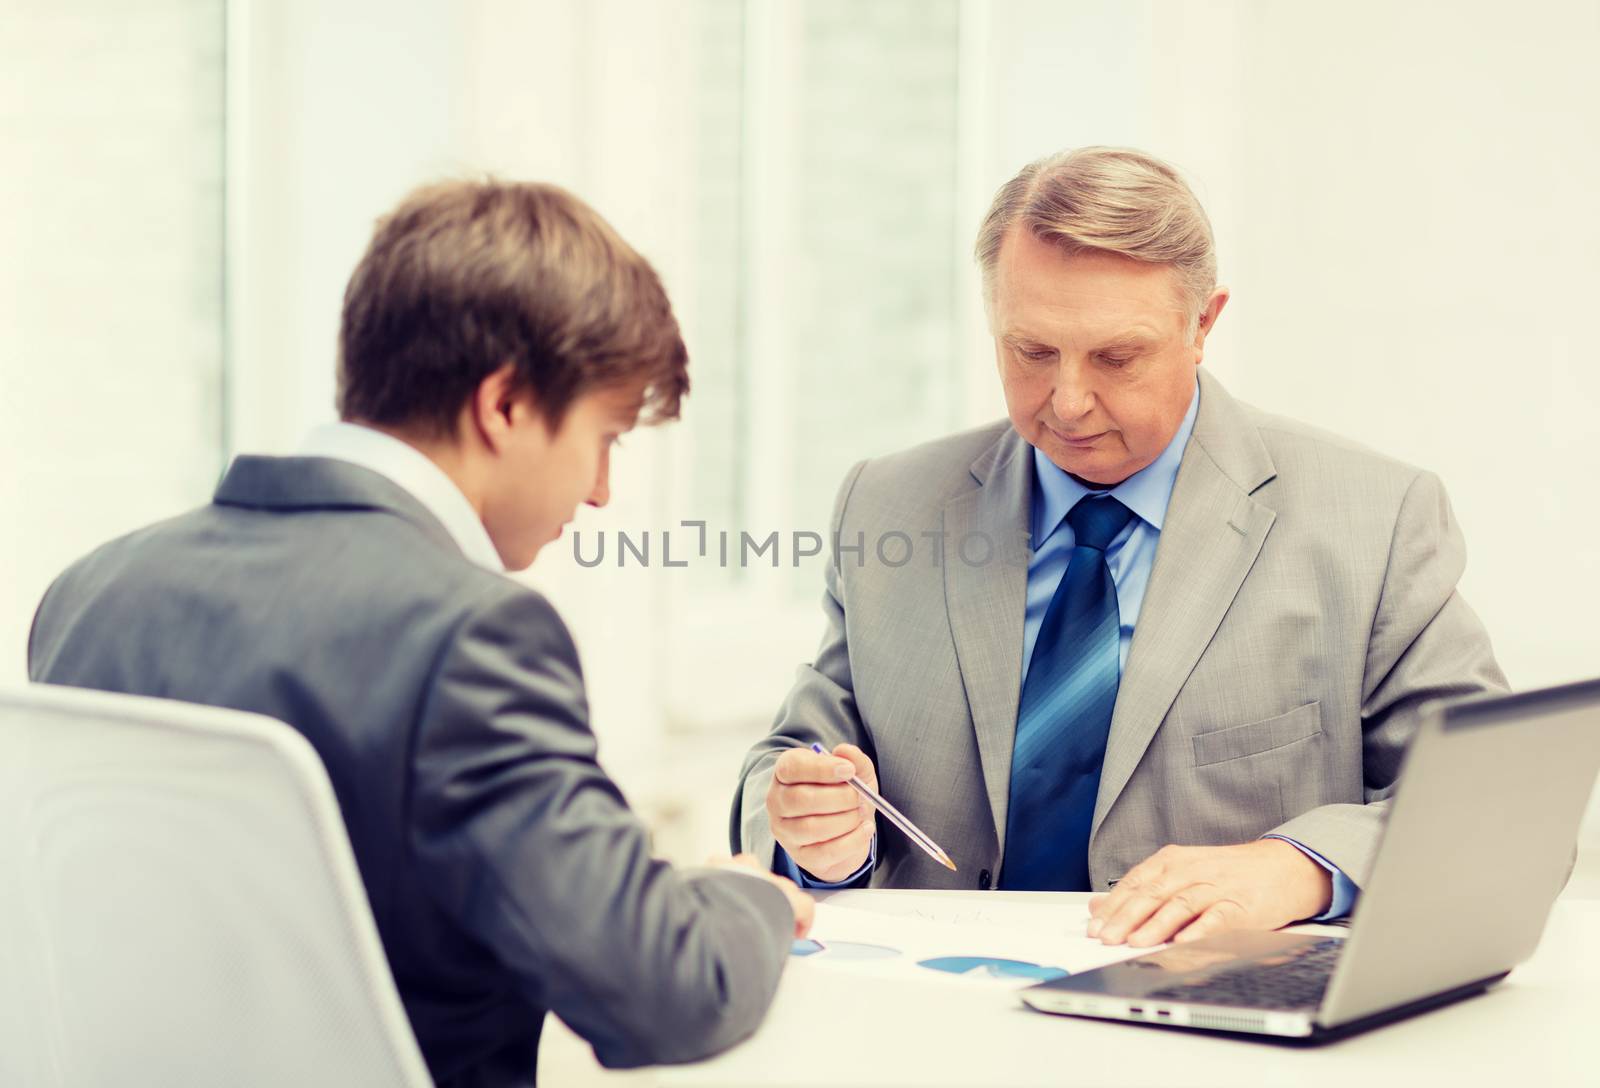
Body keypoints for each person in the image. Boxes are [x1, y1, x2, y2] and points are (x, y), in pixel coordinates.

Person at [30, 179, 811, 1087]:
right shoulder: (474, 638)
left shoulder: (89, 593)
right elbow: (667, 992)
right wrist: (746, 894)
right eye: (604, 436)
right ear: (507, 405)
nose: (602, 491)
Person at [732, 146, 1505, 948]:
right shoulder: (889, 504)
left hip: (1213, 1028)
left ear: (1203, 325)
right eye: (1030, 351)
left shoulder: (1374, 518)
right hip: (941, 1015)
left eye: (1117, 356)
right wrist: (815, 834)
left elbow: (1491, 802)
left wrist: (1297, 867)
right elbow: (794, 758)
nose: (1067, 402)